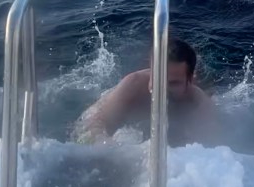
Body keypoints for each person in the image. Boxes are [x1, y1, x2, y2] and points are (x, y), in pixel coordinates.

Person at [77, 38, 220, 146]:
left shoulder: (200, 105)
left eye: (173, 83)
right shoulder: (133, 85)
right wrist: (109, 146)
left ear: (190, 80)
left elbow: (208, 146)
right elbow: (95, 124)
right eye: (158, 80)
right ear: (151, 72)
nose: (162, 90)